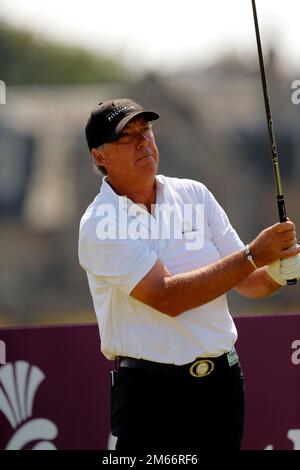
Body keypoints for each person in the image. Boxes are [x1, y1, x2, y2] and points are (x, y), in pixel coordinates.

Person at [79, 98, 300, 451]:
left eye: (146, 130)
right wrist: (254, 254)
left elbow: (250, 283)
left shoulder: (194, 194)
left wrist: (281, 269)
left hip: (222, 388)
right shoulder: (100, 223)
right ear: (99, 156)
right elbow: (168, 297)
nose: (142, 142)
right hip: (150, 397)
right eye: (126, 137)